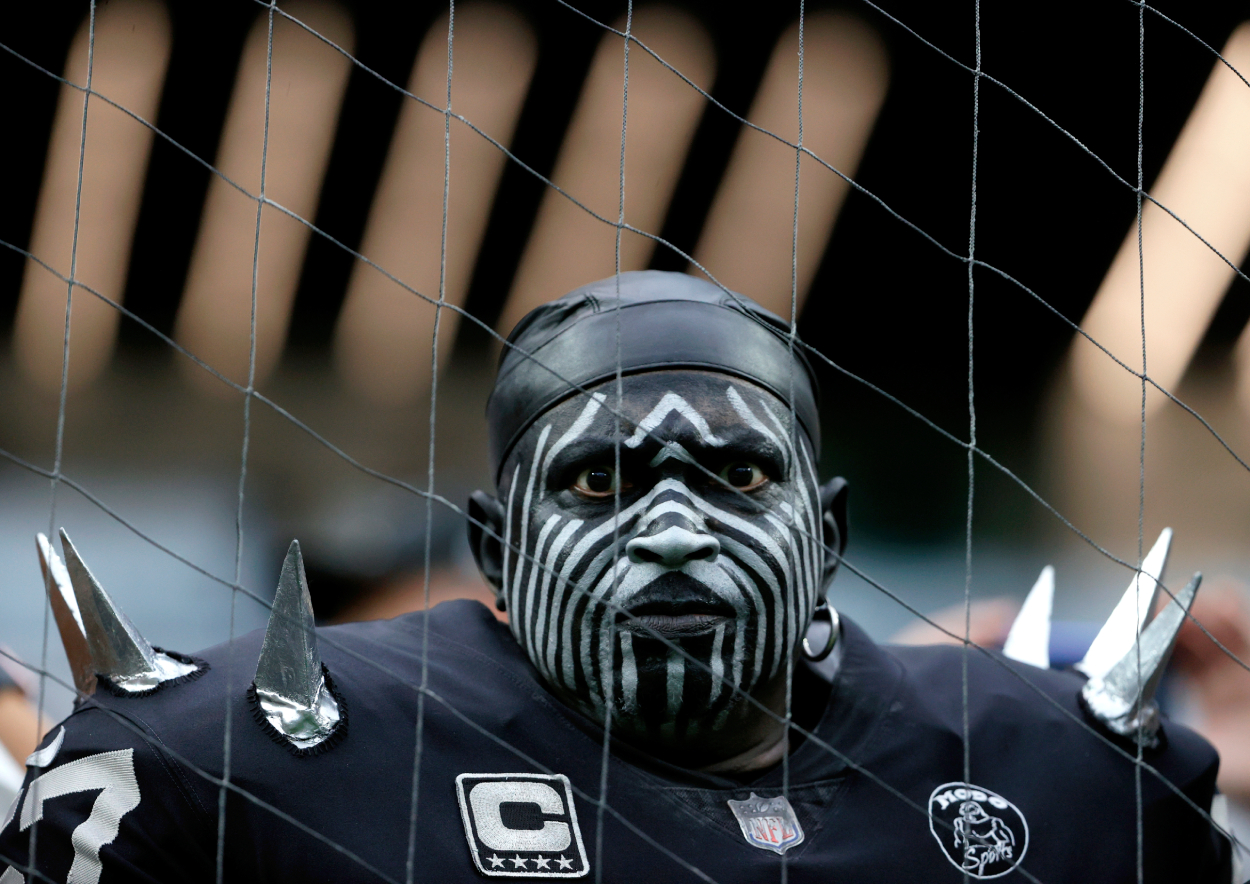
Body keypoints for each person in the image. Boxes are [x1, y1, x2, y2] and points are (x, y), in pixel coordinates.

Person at [0, 271, 1236, 882]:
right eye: (597, 484)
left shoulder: (1077, 783)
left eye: (740, 477)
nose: (673, 531)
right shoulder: (226, 763)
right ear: (494, 546)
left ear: (831, 532)